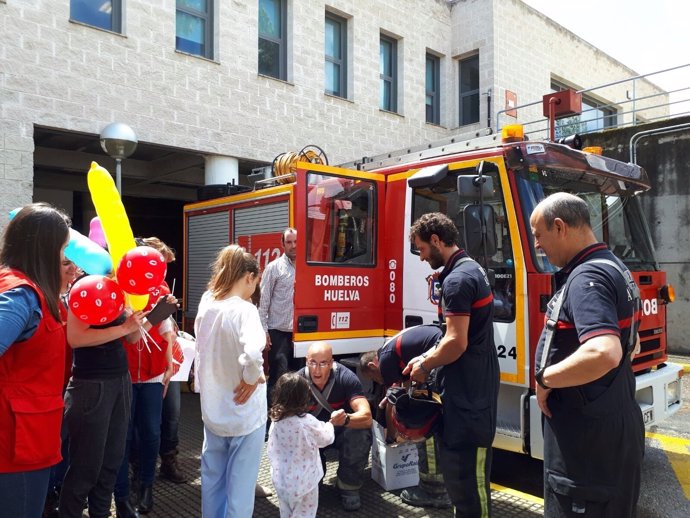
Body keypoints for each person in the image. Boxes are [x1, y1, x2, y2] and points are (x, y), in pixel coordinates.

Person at [530, 193, 644, 518]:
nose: (538, 245)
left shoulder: (586, 278)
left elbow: (604, 352)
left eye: (539, 235)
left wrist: (544, 378)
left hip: (587, 444)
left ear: (560, 227)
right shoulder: (614, 267)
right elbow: (629, 344)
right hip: (611, 423)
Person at [405, 212, 499, 518]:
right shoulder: (471, 268)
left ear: (435, 240)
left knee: (469, 482)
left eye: (420, 249)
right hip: (472, 385)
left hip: (468, 394)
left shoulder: (458, 280)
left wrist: (425, 365)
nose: (421, 257)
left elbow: (457, 342)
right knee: (463, 480)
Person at [59, 277, 177, 518]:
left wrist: (152, 314)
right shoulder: (84, 286)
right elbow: (76, 338)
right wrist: (125, 327)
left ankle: (101, 513)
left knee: (111, 462)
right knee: (86, 467)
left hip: (119, 380)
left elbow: (132, 337)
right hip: (90, 385)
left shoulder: (120, 291)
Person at [0, 203, 70, 518]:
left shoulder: (22, 288)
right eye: (62, 249)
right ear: (45, 248)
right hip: (17, 442)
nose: (65, 259)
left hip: (26, 434)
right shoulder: (23, 296)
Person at [195, 245, 266, 518]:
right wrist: (251, 378)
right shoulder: (244, 311)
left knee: (212, 484)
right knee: (240, 491)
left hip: (213, 410)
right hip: (244, 414)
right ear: (249, 276)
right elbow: (252, 353)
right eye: (255, 282)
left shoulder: (207, 304)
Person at [114, 239, 177, 516]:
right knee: (124, 434)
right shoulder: (117, 288)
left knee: (152, 432)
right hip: (123, 372)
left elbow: (166, 326)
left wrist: (169, 359)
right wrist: (158, 314)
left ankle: (147, 485)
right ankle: (123, 491)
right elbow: (131, 333)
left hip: (152, 373)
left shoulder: (160, 288)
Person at [360, 324, 451, 509]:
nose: (378, 382)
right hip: (443, 354)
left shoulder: (385, 362)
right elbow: (405, 385)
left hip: (437, 358)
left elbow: (394, 402)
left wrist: (391, 437)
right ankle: (447, 485)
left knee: (423, 422)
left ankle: (434, 491)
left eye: (374, 378)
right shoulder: (390, 350)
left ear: (372, 365)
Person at [299, 341, 372, 512]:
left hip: (339, 430)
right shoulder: (298, 381)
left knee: (360, 432)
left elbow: (367, 416)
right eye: (313, 362)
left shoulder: (346, 378)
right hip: (312, 437)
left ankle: (349, 485)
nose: (317, 370)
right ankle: (313, 479)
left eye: (323, 363)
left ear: (331, 363)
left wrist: (346, 420)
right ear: (306, 361)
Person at [267, 372, 335, 518]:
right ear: (304, 396)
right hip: (305, 482)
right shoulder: (307, 422)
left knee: (286, 513)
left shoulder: (275, 420)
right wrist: (330, 424)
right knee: (305, 514)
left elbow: (271, 446)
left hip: (282, 480)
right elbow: (326, 439)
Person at [259, 228, 297, 400]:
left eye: (296, 242)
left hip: (301, 333)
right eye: (289, 242)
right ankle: (271, 418)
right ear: (282, 244)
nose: (293, 246)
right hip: (278, 332)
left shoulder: (307, 268)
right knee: (278, 377)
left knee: (299, 379)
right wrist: (264, 331)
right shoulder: (274, 268)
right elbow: (263, 302)